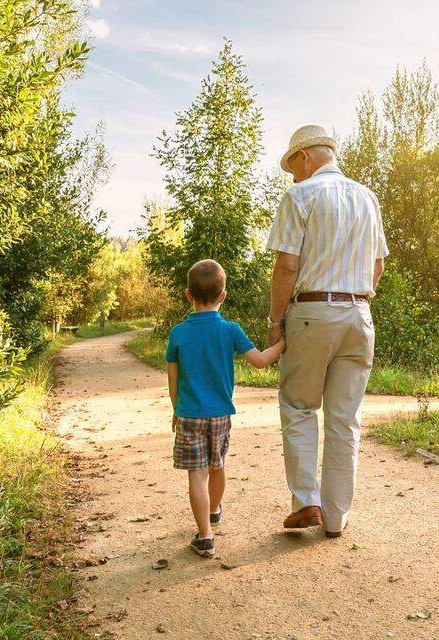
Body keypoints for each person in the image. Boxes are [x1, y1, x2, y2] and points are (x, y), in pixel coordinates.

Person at [265, 124, 389, 538]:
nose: (293, 176)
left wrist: (275, 321)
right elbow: (378, 267)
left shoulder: (300, 195)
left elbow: (286, 266)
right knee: (344, 418)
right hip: (359, 314)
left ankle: (306, 502)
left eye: (292, 167)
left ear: (304, 158)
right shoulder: (368, 198)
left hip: (312, 313)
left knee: (300, 407)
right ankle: (336, 518)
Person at [166, 259, 285, 557]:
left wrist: (175, 410)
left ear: (188, 295)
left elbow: (173, 378)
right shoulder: (230, 330)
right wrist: (285, 343)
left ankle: (205, 535)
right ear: (223, 296)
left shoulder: (178, 333)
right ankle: (215, 509)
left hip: (190, 414)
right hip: (220, 414)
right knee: (217, 465)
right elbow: (260, 361)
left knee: (197, 474)